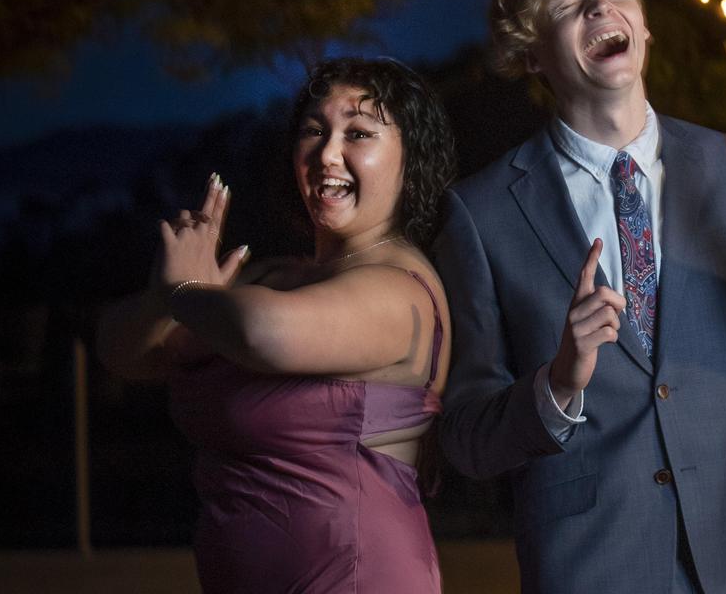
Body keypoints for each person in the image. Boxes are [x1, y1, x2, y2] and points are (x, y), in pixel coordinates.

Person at [434, 0, 726, 594]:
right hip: (590, 566)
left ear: (642, 27)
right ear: (531, 54)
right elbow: (468, 440)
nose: (599, 9)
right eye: (569, 4)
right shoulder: (482, 212)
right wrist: (557, 384)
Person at [97, 57, 457, 593]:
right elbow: (120, 351)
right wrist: (163, 298)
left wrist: (185, 293)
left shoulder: (402, 290)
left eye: (359, 132)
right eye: (314, 130)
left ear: (411, 159)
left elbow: (263, 335)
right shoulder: (274, 274)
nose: (327, 152)